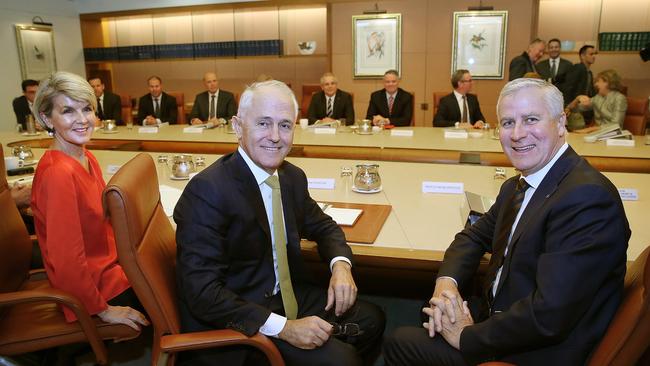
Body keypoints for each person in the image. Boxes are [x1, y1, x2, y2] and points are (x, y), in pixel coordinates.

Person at [384, 78, 630, 365]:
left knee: (400, 341)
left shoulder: (587, 199)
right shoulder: (519, 185)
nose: (517, 134)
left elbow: (549, 316)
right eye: (507, 122)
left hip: (536, 350)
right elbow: (472, 237)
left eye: (531, 119)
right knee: (433, 309)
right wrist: (446, 284)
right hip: (506, 310)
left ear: (561, 123)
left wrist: (466, 336)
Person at [174, 80, 385, 366]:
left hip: (282, 292)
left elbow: (323, 225)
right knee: (343, 360)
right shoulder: (208, 191)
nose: (275, 136)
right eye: (263, 123)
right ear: (238, 127)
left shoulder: (290, 177)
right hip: (238, 316)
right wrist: (285, 328)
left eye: (285, 125)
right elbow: (202, 293)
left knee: (372, 320)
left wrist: (341, 266)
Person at [30, 71, 149, 330]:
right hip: (95, 287)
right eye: (68, 111)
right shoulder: (58, 174)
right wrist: (103, 310)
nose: (83, 120)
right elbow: (67, 261)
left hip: (114, 265)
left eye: (86, 109)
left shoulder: (85, 156)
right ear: (46, 117)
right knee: (183, 299)